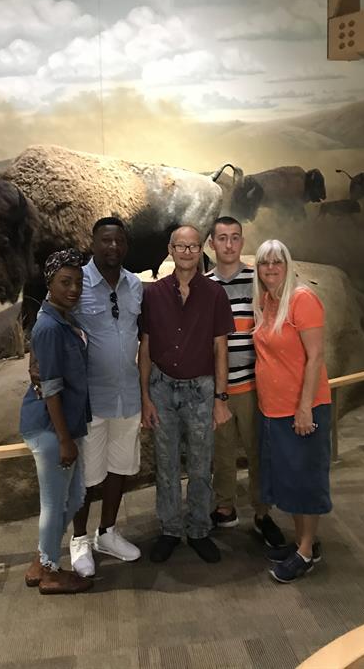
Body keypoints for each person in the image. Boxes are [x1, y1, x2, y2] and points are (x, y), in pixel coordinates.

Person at [139, 225, 235, 564]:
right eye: (180, 246)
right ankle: (169, 529)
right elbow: (146, 347)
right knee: (165, 464)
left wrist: (220, 398)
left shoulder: (214, 294)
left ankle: (198, 529)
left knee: (200, 463)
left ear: (200, 250)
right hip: (162, 388)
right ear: (170, 249)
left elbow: (220, 348)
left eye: (193, 246)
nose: (187, 252)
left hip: (201, 389)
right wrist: (145, 398)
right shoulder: (153, 294)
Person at [252, 239, 332, 583]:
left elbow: (315, 357)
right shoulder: (269, 301)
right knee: (291, 479)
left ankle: (305, 552)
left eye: (277, 262)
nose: (270, 268)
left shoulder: (302, 300)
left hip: (302, 408)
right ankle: (303, 542)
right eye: (264, 263)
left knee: (306, 480)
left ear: (287, 265)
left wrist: (304, 408)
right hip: (274, 409)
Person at [68, 217, 142, 577]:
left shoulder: (135, 284)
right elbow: (53, 322)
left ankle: (107, 533)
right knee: (86, 475)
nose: (113, 246)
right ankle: (79, 539)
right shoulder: (75, 283)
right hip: (90, 400)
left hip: (127, 396)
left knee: (119, 468)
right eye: (106, 240)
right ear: (93, 243)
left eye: (119, 241)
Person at [206, 217, 285, 549]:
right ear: (211, 243)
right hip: (219, 388)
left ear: (242, 241)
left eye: (235, 237)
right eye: (222, 238)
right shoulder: (205, 285)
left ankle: (263, 513)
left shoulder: (257, 279)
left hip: (255, 385)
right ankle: (224, 507)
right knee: (221, 451)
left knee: (258, 451)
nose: (229, 244)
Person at [20, 248, 93, 594]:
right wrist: (64, 439)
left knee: (75, 497)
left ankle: (42, 558)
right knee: (54, 503)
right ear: (50, 283)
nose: (73, 289)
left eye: (78, 282)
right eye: (65, 282)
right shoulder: (49, 326)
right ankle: (49, 572)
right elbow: (50, 387)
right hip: (51, 427)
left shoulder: (65, 318)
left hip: (67, 423)